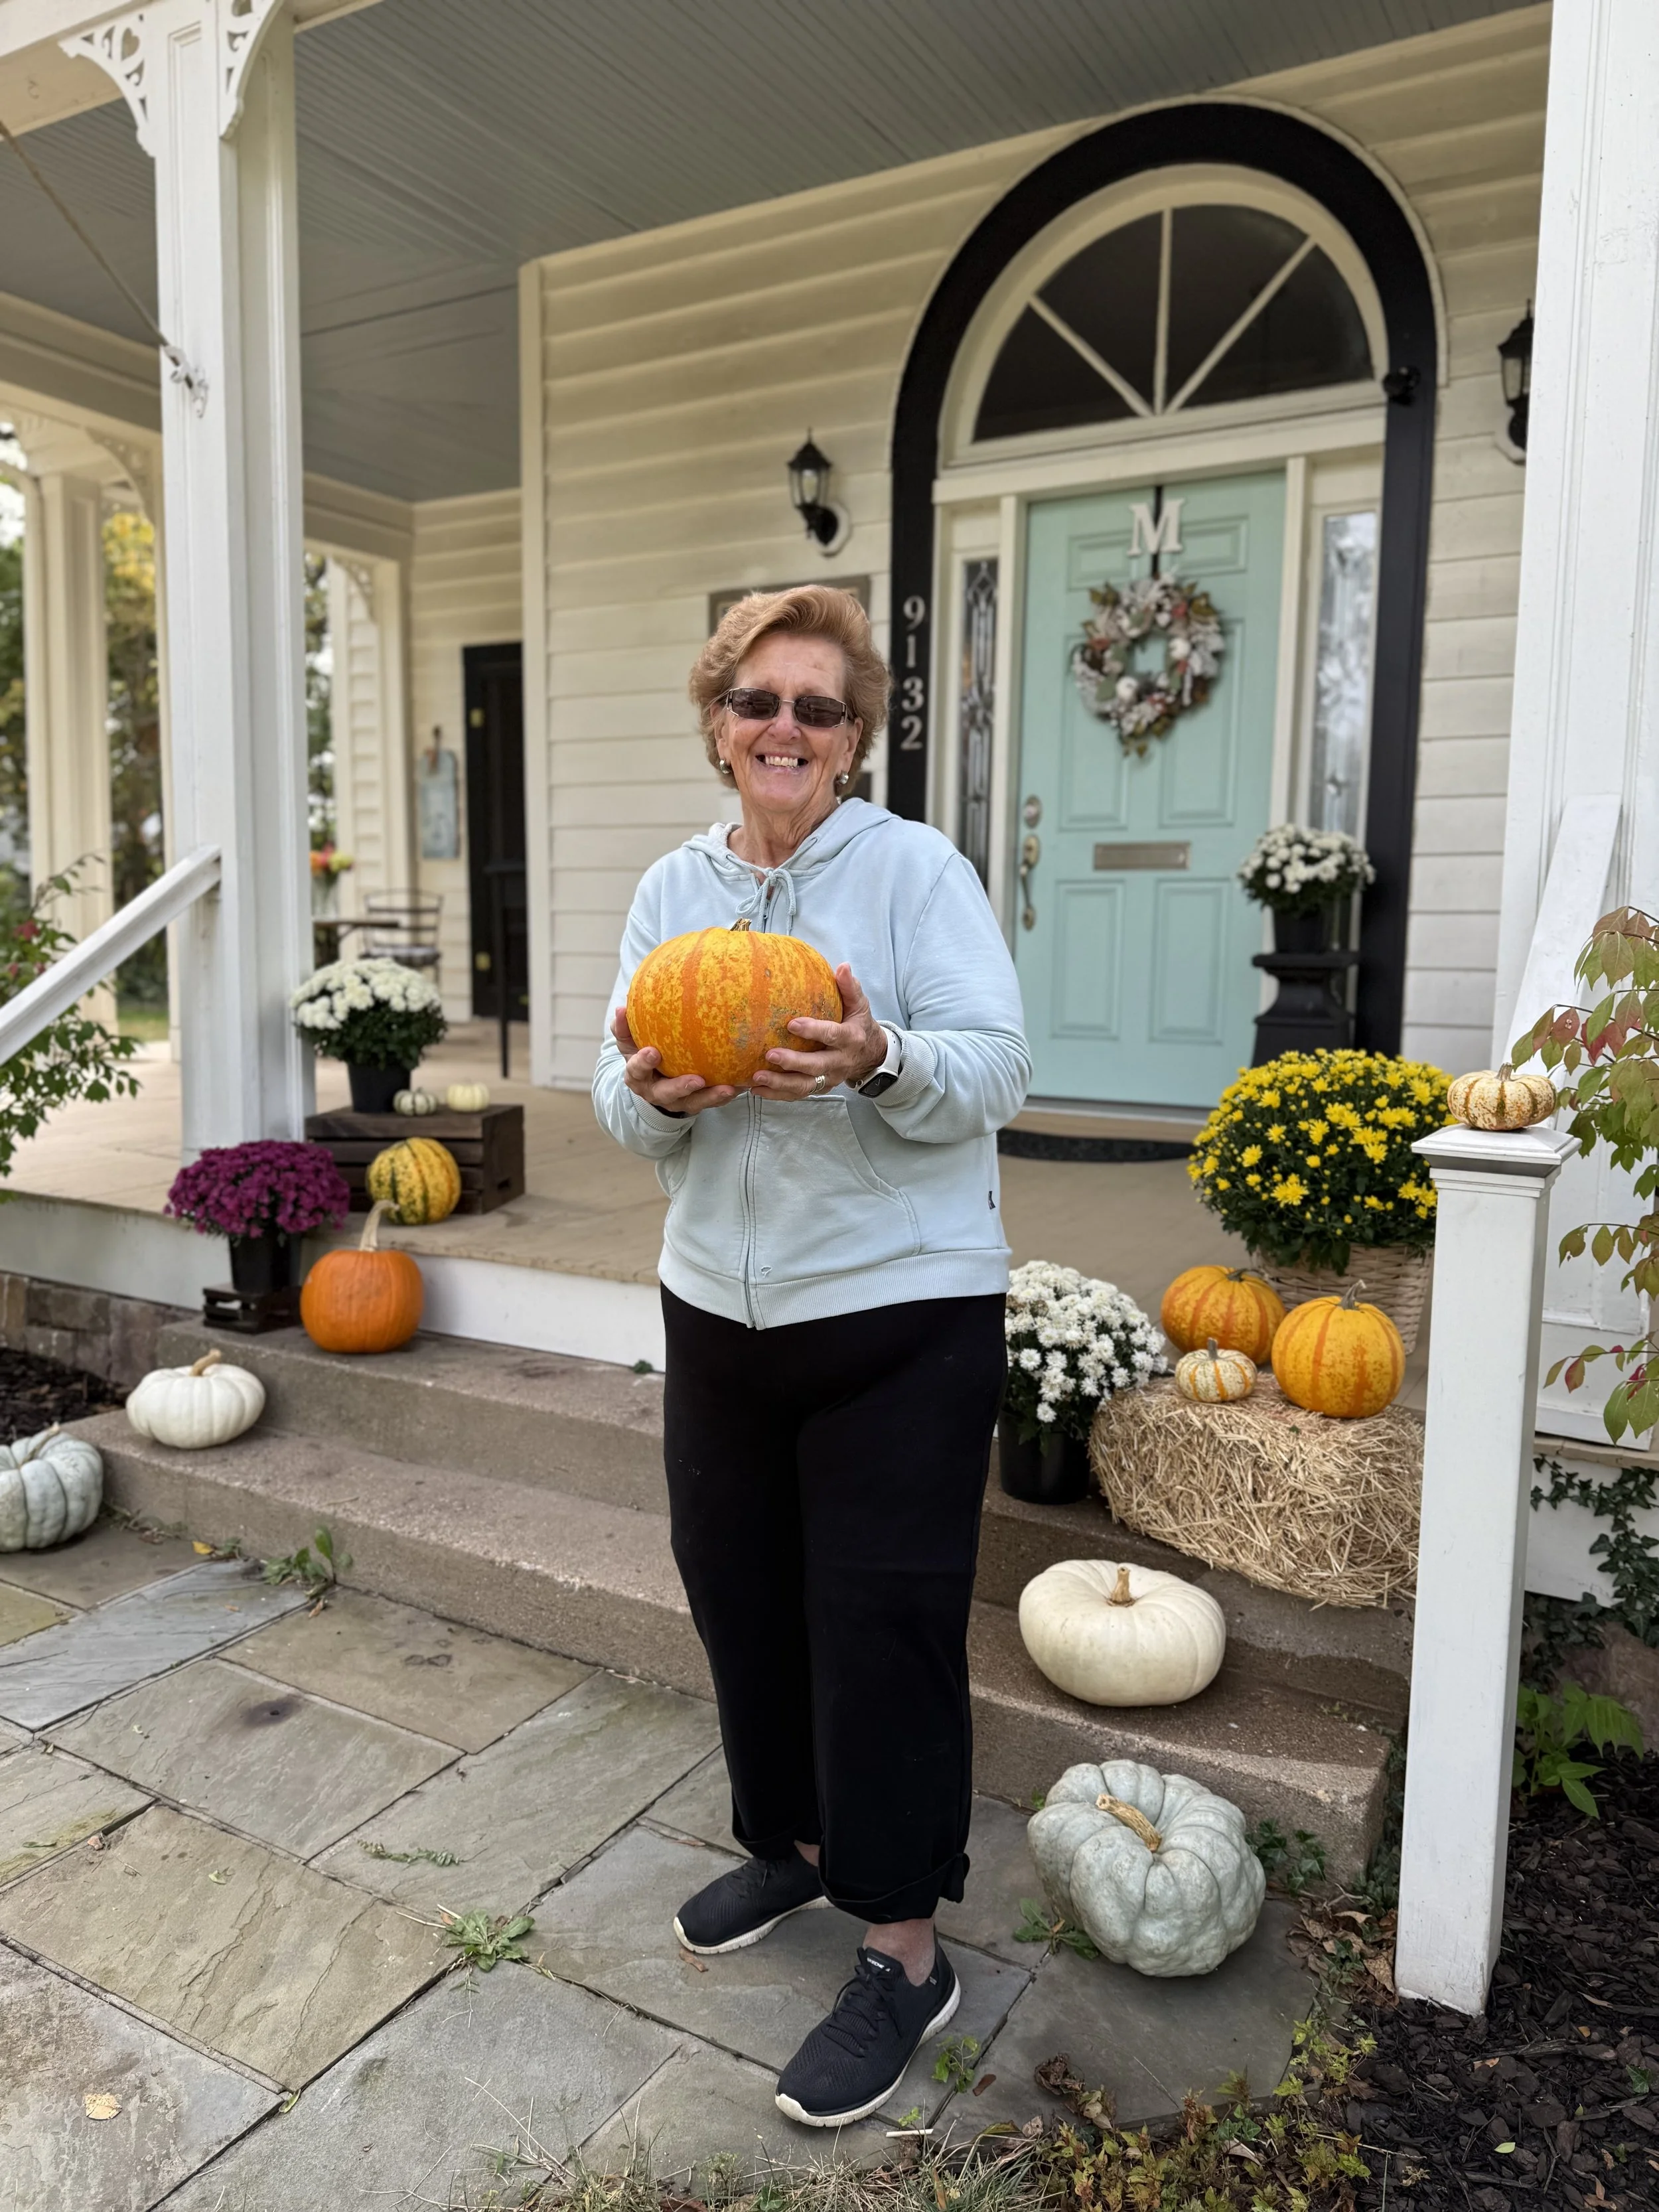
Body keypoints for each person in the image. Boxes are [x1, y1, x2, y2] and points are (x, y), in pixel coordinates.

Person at [593, 585, 1030, 2128]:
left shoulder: (914, 875)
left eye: (818, 708)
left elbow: (996, 1059)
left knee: (881, 1624)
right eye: (758, 701)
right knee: (737, 1592)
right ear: (718, 722)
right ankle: (785, 1844)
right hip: (718, 1306)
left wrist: (879, 1059)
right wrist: (657, 1098)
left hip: (898, 1315)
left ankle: (904, 1951)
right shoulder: (670, 887)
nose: (785, 728)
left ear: (853, 739)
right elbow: (613, 1089)